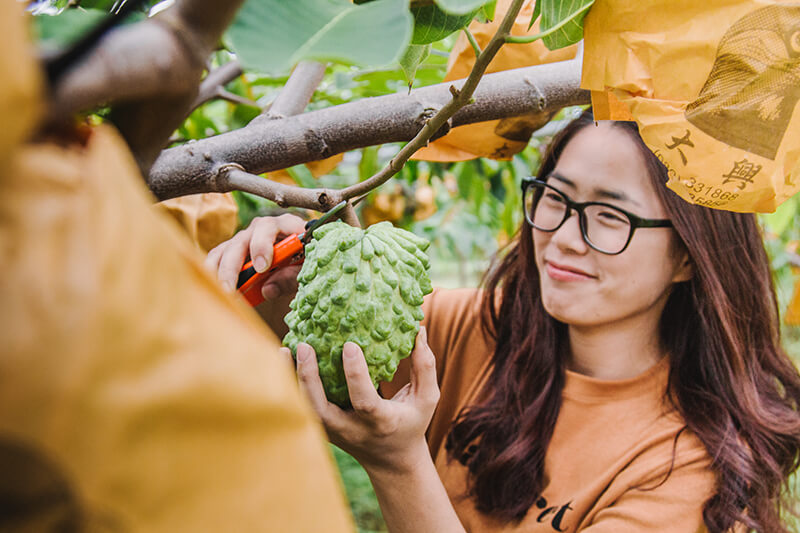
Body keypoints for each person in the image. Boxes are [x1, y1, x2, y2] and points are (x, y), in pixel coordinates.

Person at [206, 110, 800, 532]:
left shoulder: (689, 470)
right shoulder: (476, 328)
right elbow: (324, 348)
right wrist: (282, 281)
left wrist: (398, 464)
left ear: (689, 256)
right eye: (556, 198)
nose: (564, 239)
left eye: (610, 217)